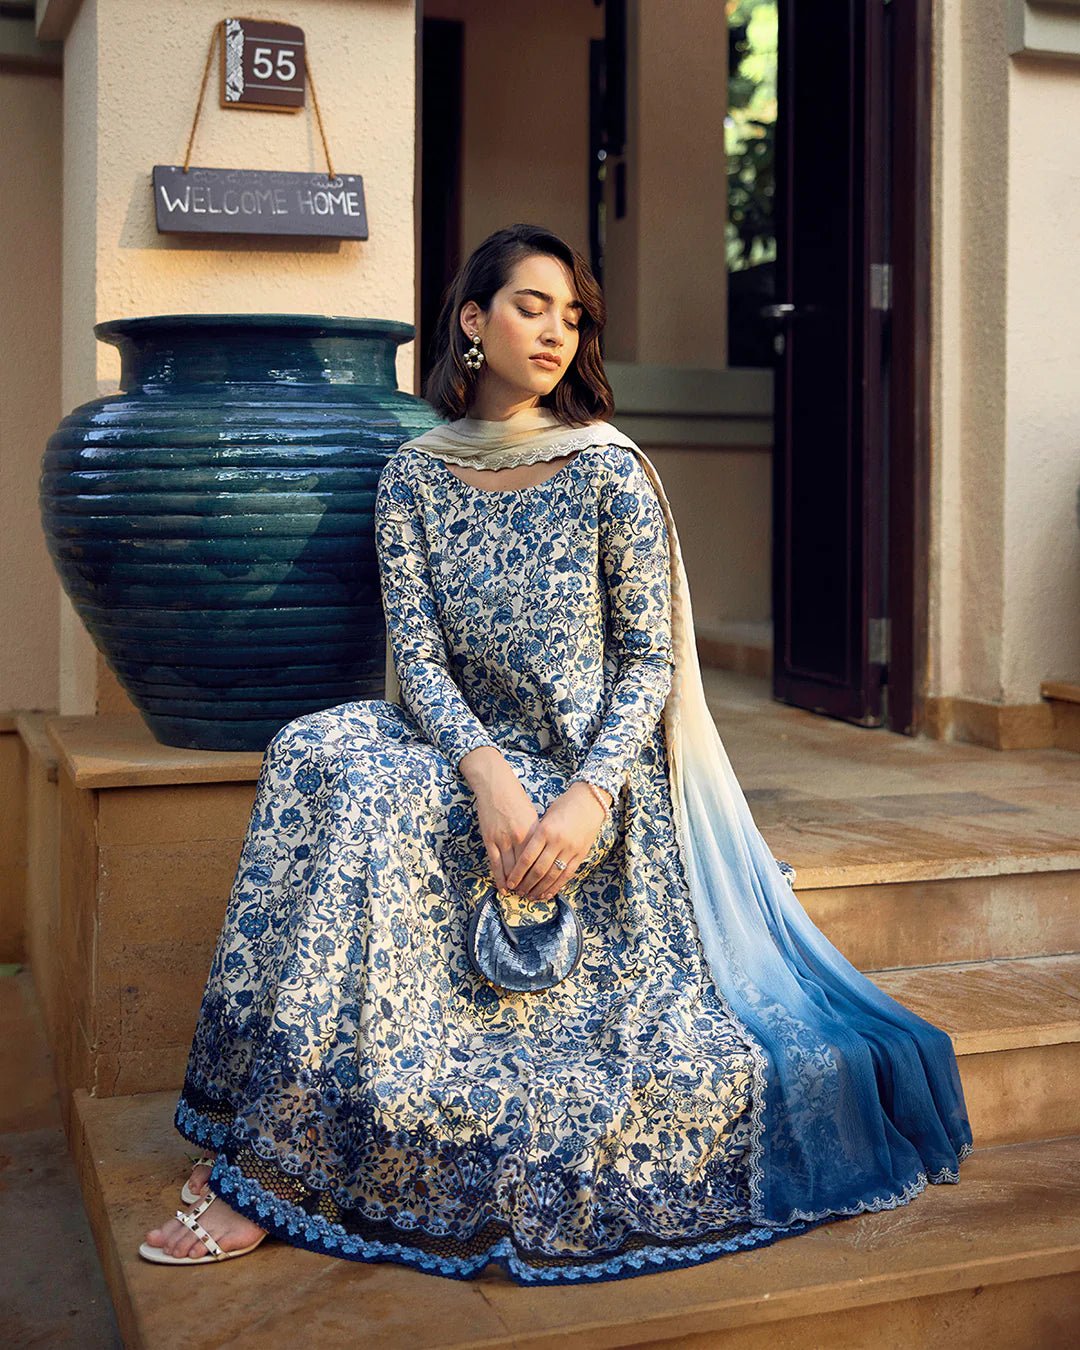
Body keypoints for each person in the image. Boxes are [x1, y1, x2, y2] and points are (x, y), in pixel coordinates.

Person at [140, 223, 973, 1283]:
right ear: (473, 321)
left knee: (381, 805)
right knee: (315, 748)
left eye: (572, 315)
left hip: (588, 768)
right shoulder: (415, 473)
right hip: (467, 740)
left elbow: (647, 662)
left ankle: (272, 1165)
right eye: (532, 305)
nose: (556, 331)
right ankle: (271, 1111)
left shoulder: (605, 471)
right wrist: (481, 768)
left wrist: (583, 797)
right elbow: (420, 655)